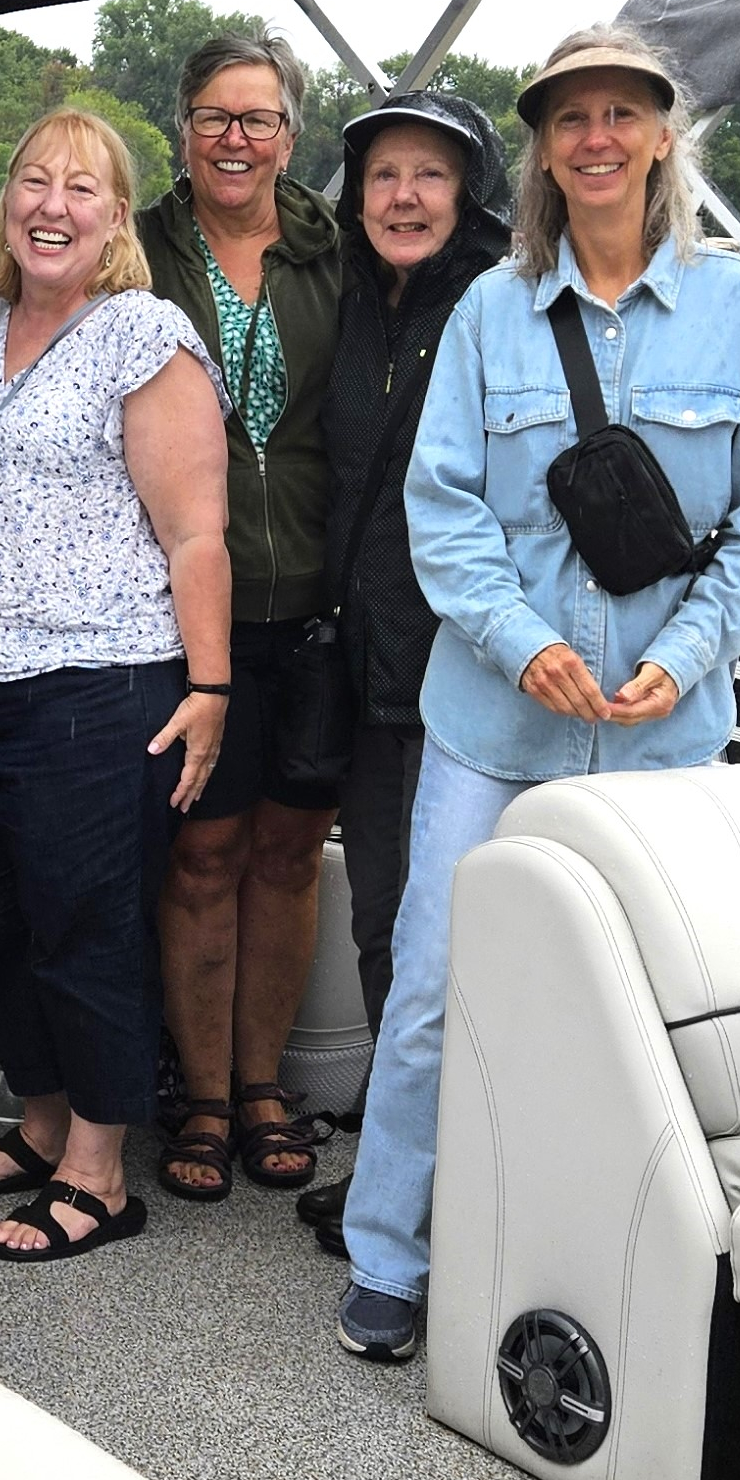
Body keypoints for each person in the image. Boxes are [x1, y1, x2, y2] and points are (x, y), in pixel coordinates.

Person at [334, 26, 740, 1362]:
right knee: (430, 985)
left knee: (659, 1004)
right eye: (569, 117)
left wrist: (690, 653)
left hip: (666, 736)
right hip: (493, 724)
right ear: (543, 148)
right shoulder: (491, 310)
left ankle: (626, 1247)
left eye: (621, 113)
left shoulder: (737, 308)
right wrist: (516, 636)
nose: (596, 137)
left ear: (661, 134)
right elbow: (445, 512)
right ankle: (391, 1252)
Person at [0, 109, 233, 1262]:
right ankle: (41, 1124)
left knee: (84, 929)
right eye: (32, 181)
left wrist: (210, 684)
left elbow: (197, 534)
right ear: (6, 200)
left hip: (94, 689)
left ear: (114, 219)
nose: (50, 204)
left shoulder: (139, 332)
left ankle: (98, 1175)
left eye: (82, 189)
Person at [296, 92, 511, 1260]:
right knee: (387, 930)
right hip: (370, 682)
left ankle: (466, 1175)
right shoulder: (341, 292)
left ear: (466, 191)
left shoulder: (501, 301)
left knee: (463, 942)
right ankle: (401, 1159)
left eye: (430, 174)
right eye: (383, 175)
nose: (404, 197)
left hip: (472, 683)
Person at [137, 30, 343, 1202]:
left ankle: (263, 1081)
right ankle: (201, 1091)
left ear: (288, 135)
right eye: (215, 115)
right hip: (186, 606)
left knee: (288, 849)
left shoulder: (331, 246)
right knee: (203, 847)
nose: (235, 138)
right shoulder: (143, 247)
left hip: (311, 595)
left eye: (258, 118)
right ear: (183, 128)